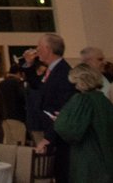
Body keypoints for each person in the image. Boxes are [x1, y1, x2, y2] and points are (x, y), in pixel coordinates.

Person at [40, 63, 113, 183]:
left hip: (90, 163)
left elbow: (70, 131)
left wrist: (60, 120)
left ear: (80, 81)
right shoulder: (104, 100)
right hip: (110, 161)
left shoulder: (82, 100)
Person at [34, 32, 78, 182]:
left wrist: (49, 137)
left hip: (60, 136)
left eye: (39, 46)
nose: (37, 50)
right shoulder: (52, 70)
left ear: (48, 49)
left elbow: (63, 109)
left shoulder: (64, 73)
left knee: (63, 174)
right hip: (53, 132)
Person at [0, 66, 27, 145]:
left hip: (5, 117)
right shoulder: (17, 83)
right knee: (19, 144)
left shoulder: (2, 83)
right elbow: (23, 98)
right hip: (17, 117)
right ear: (19, 73)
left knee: (8, 144)